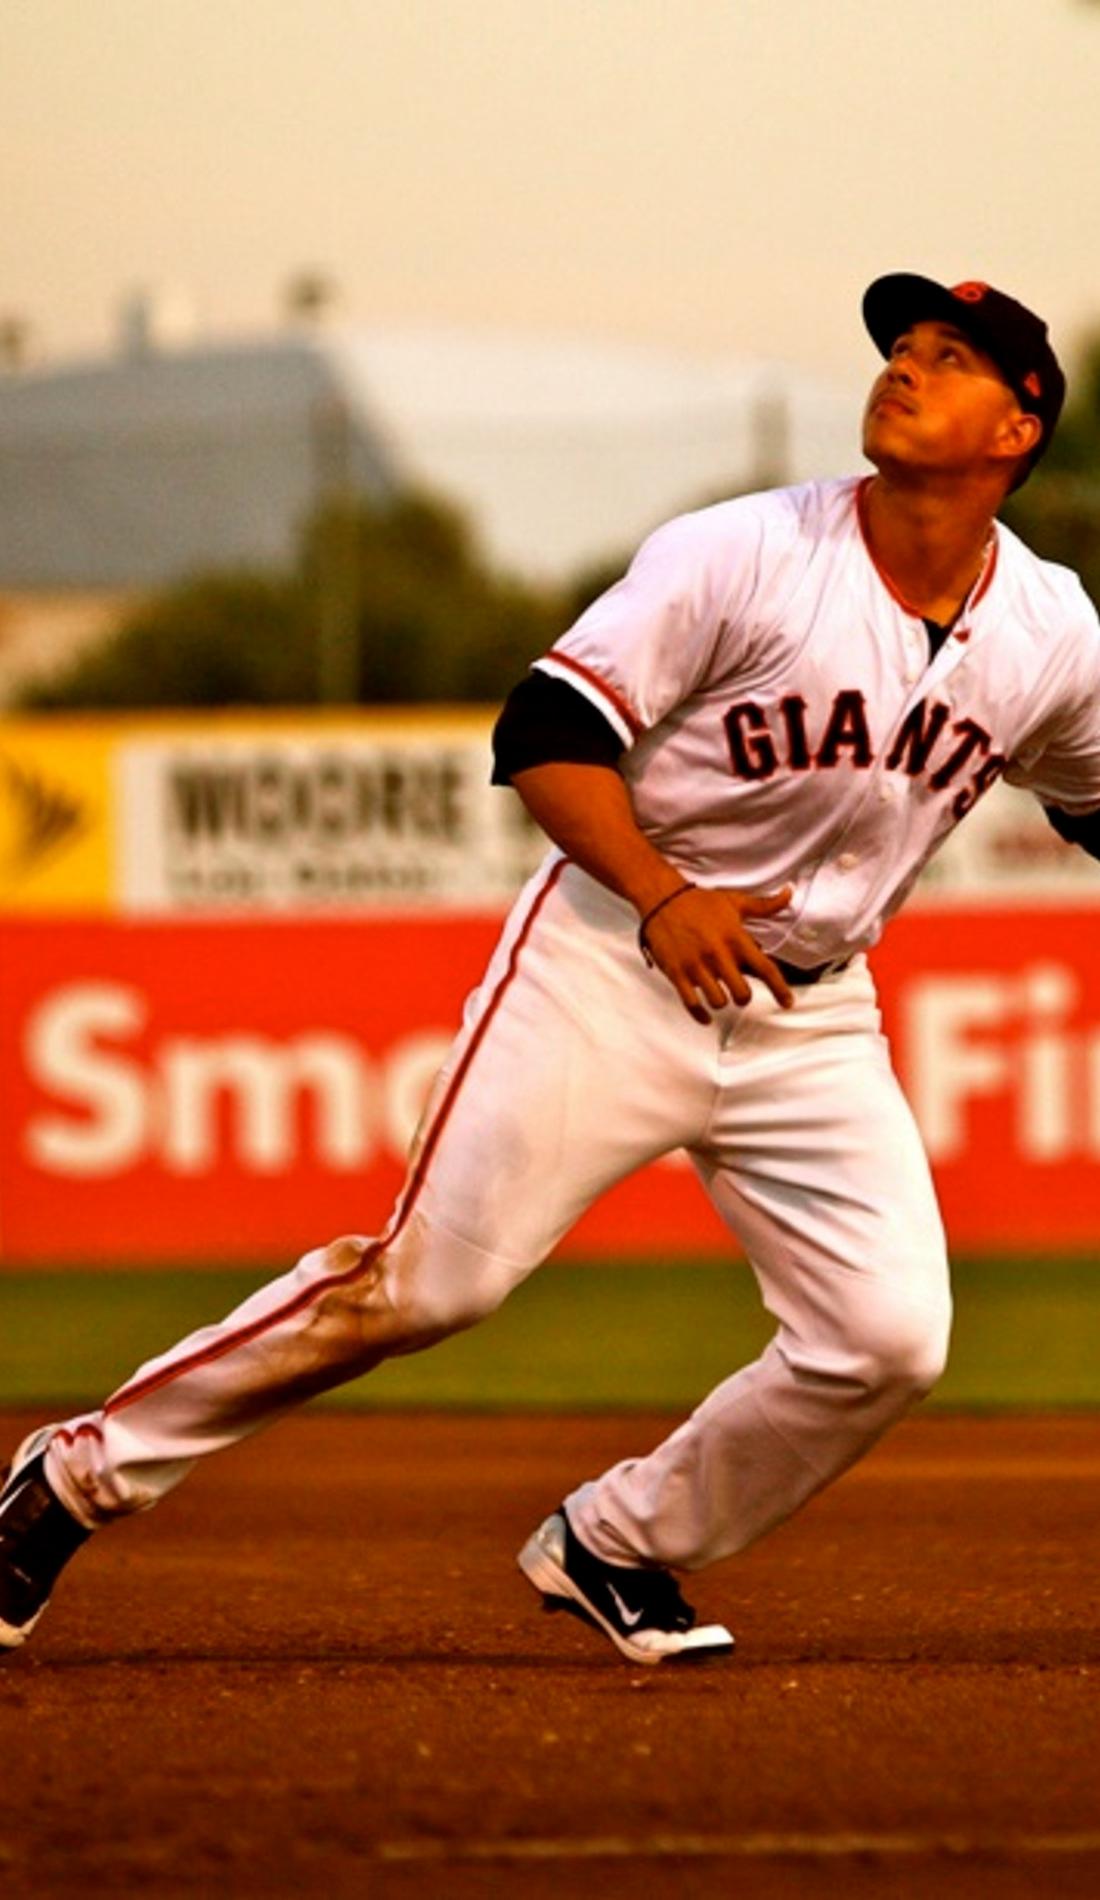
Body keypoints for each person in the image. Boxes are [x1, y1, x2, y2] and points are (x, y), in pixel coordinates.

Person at [4, 273, 1100, 1667]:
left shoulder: (1054, 633)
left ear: (1018, 430)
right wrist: (660, 894)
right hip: (610, 962)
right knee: (422, 1290)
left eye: (951, 361)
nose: (904, 370)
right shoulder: (746, 553)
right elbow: (543, 730)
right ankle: (75, 1476)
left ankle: (617, 1542)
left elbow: (1091, 793)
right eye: (901, 349)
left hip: (812, 1019)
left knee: (888, 1343)